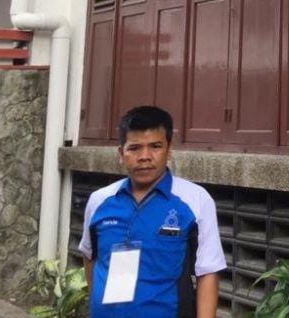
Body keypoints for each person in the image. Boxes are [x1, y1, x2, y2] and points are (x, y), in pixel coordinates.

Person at [79, 106, 226, 318]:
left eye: (155, 146)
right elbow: (89, 256)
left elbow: (208, 272)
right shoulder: (99, 200)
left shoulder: (196, 200)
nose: (145, 156)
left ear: (169, 151)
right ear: (121, 154)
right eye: (135, 148)